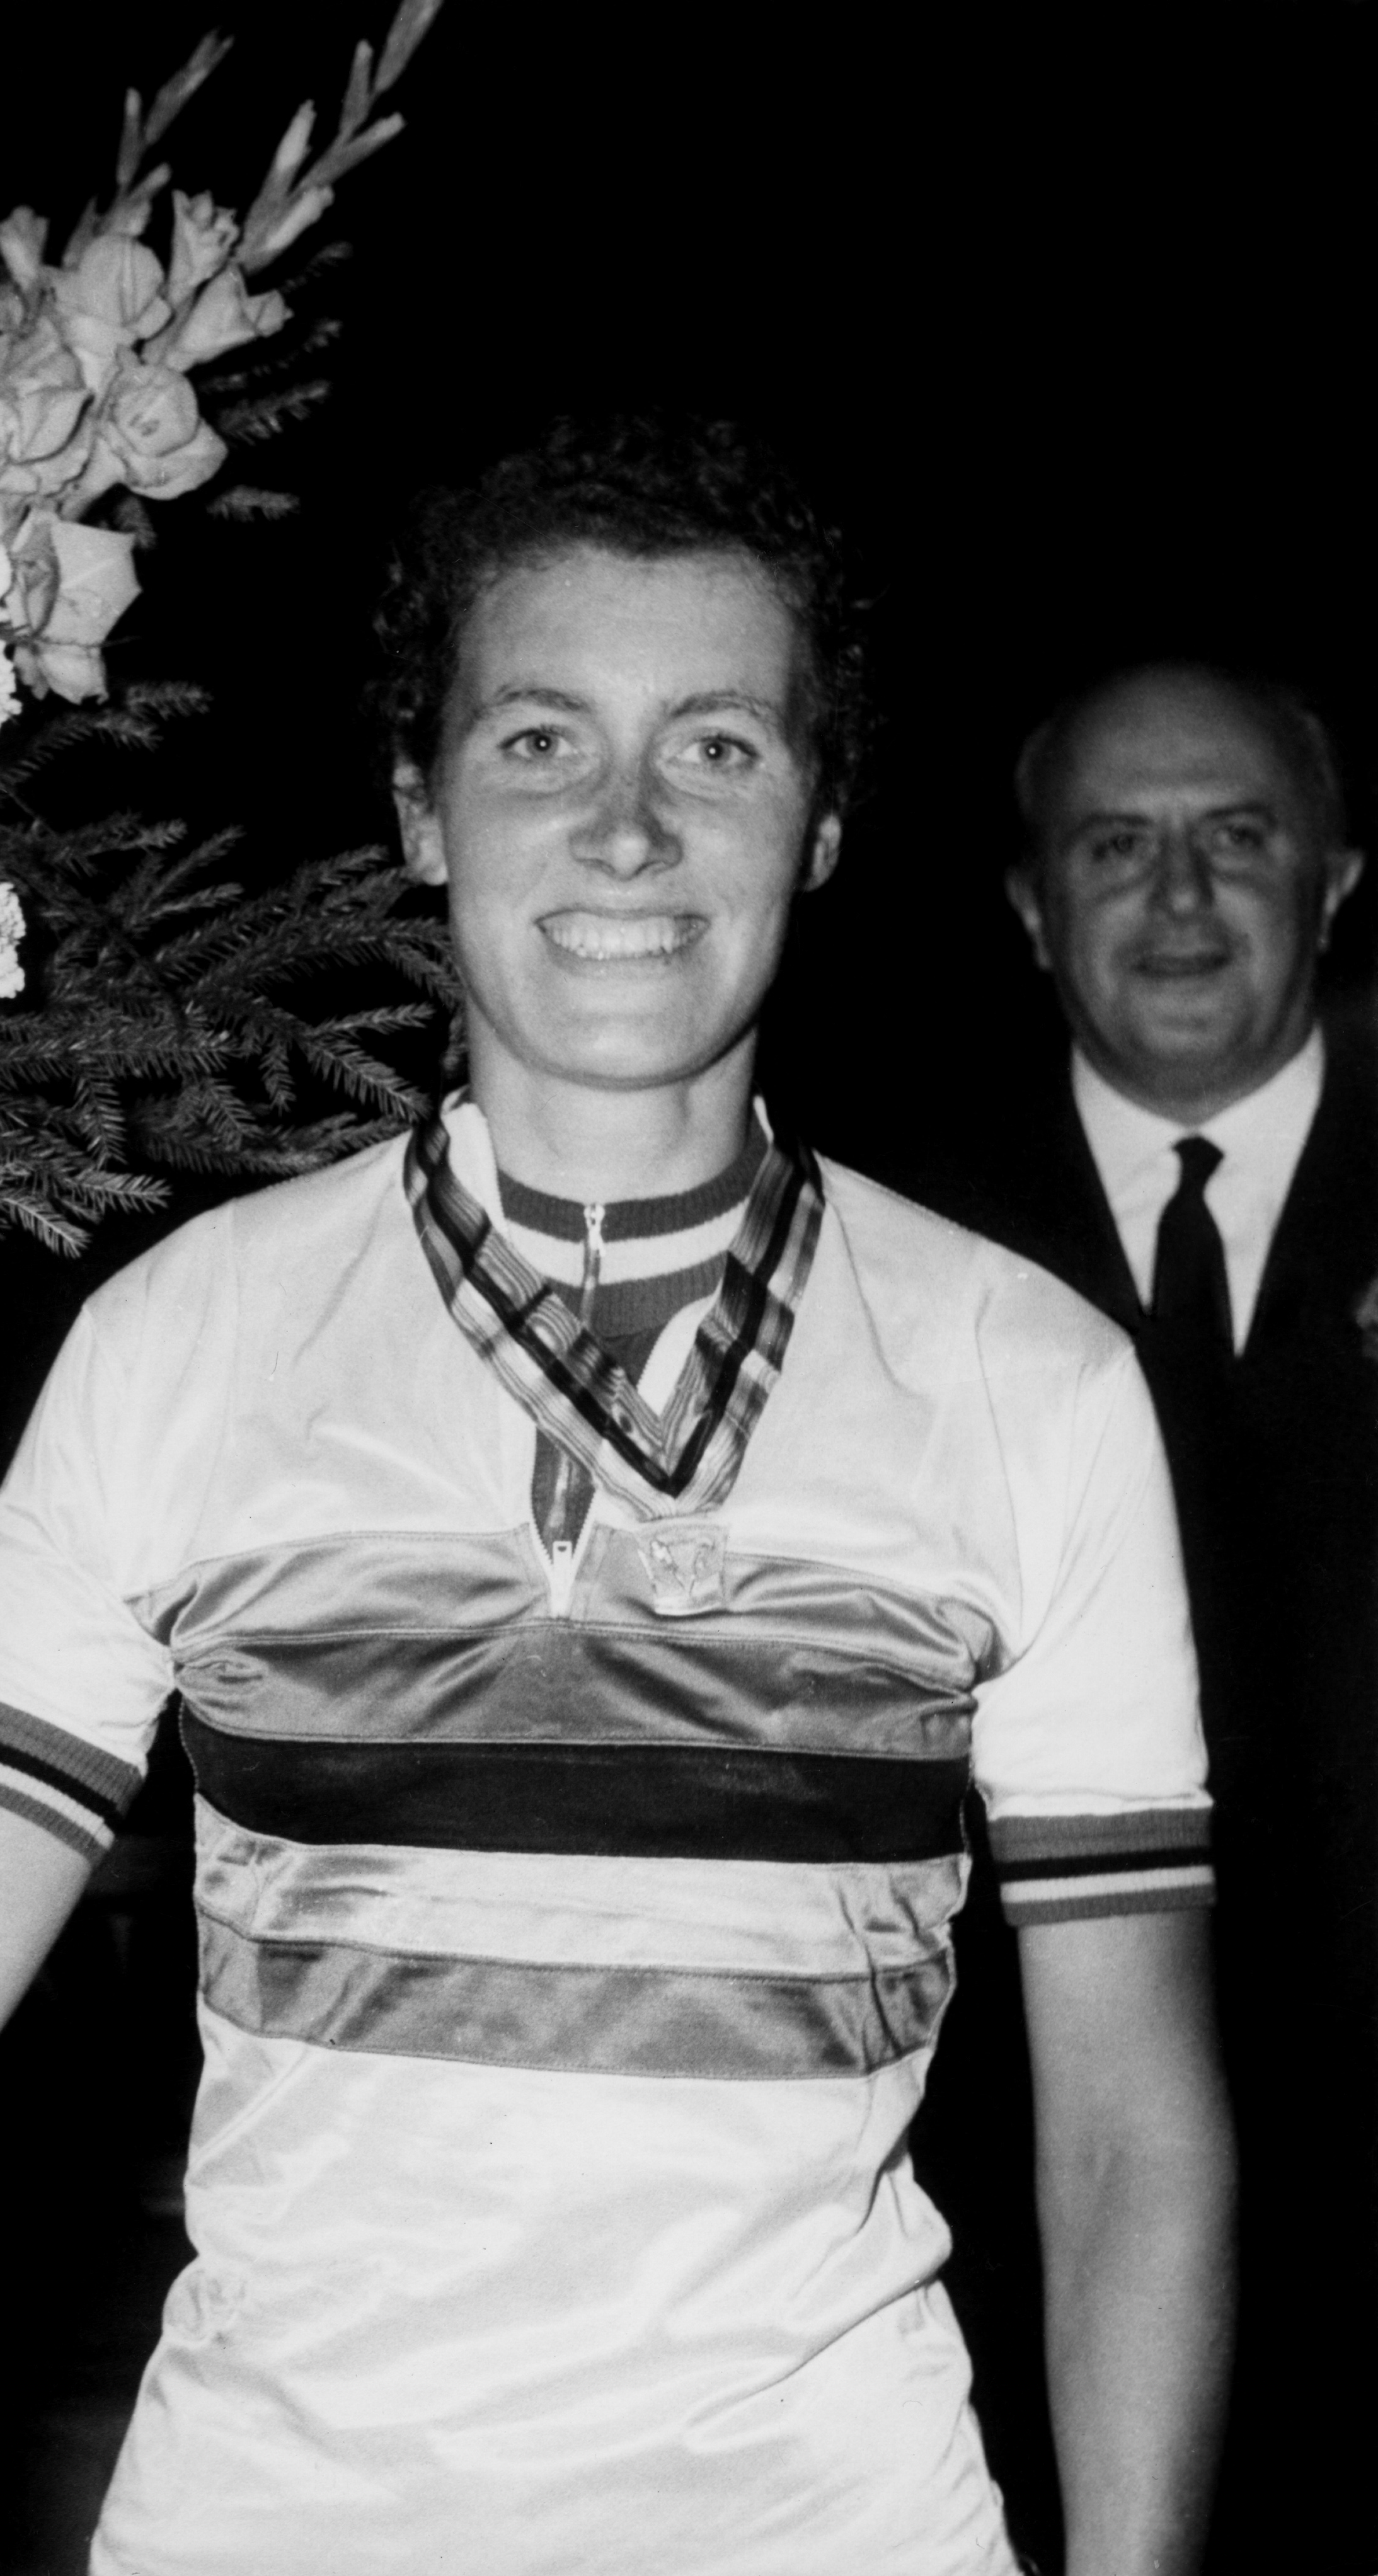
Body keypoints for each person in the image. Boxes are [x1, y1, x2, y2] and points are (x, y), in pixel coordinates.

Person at [0, 420, 1241, 2572]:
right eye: (543, 739)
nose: (625, 826)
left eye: (716, 745)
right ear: (427, 809)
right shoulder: (188, 1338)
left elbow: (1126, 2137)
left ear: (818, 823)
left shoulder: (1030, 1380)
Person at [898, 663, 1370, 2573]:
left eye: (1239, 837)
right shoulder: (893, 1241)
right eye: (1117, 845)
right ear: (1029, 904)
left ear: (1339, 878)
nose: (1181, 900)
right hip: (1016, 2245)